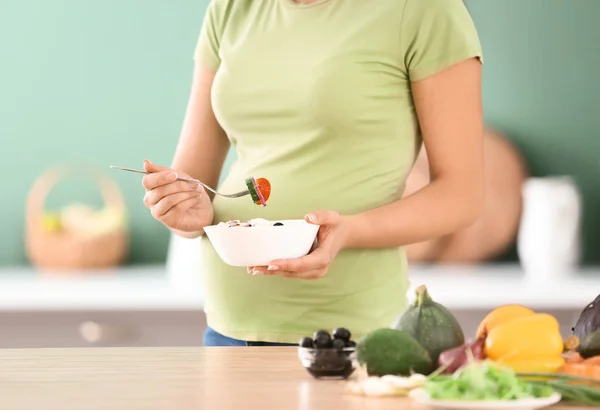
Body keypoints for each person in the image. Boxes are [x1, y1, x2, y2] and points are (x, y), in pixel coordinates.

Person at [141, 0, 484, 347]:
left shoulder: (424, 9)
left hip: (352, 334)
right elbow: (192, 182)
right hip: (229, 326)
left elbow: (462, 195)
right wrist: (180, 208)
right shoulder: (230, 7)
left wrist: (349, 231)